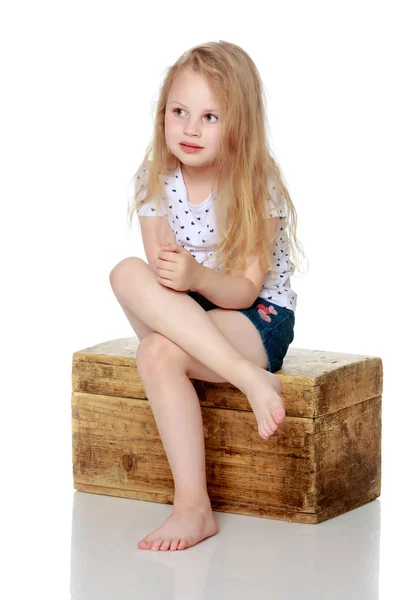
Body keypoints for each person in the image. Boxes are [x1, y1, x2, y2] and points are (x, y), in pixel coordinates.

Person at [110, 41, 306, 552]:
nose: (191, 128)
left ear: (239, 124)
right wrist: (182, 279)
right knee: (125, 271)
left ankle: (192, 508)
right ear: (163, 115)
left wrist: (195, 275)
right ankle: (250, 382)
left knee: (155, 352)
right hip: (193, 312)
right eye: (180, 112)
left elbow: (243, 291)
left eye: (210, 116)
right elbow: (158, 282)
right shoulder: (154, 180)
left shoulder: (255, 184)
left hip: (256, 318)